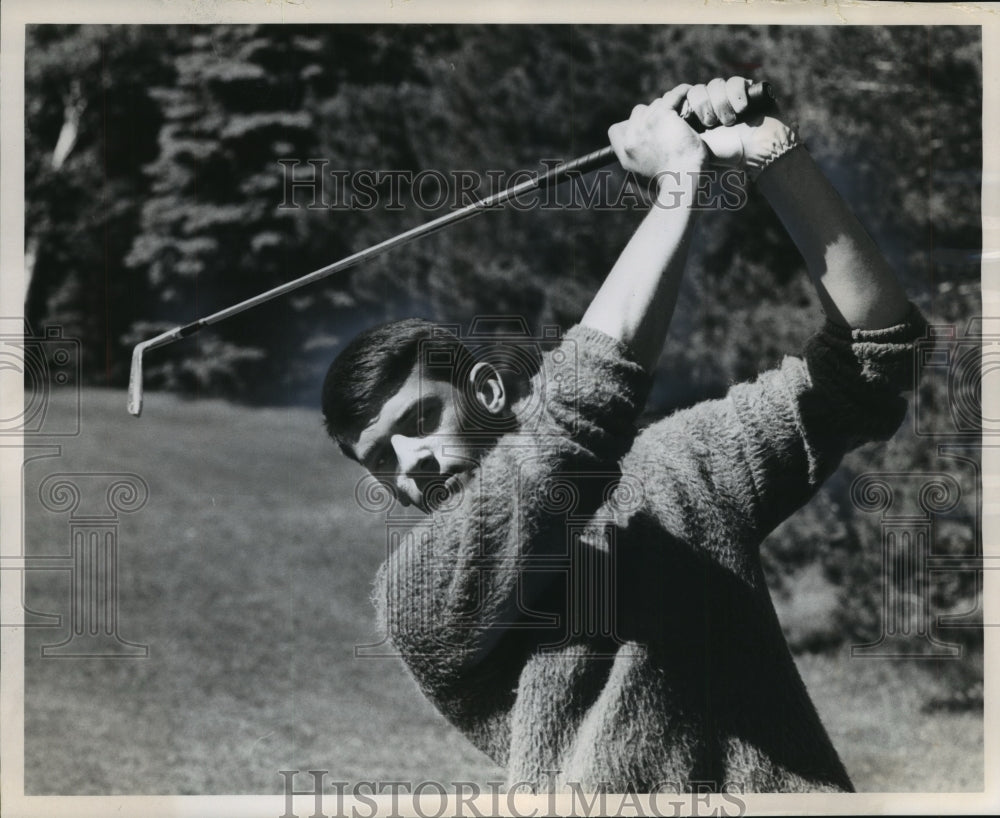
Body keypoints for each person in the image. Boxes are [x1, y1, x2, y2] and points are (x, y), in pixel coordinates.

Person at [321, 77, 925, 793]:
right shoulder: (418, 595)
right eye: (380, 459)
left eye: (420, 420)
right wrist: (679, 181)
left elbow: (877, 355)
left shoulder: (677, 469)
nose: (410, 464)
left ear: (486, 392)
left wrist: (770, 153)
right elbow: (569, 425)